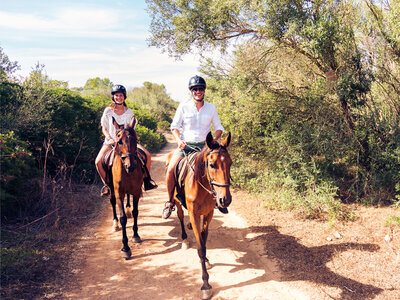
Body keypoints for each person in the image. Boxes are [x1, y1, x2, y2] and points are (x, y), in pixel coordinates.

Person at [162, 75, 226, 219]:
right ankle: (170, 202)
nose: (198, 91)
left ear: (204, 90)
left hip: (205, 148)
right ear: (191, 91)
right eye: (195, 89)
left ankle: (217, 200)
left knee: (218, 169)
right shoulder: (183, 107)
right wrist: (178, 140)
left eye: (201, 89)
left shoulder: (211, 108)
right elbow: (174, 127)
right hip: (186, 146)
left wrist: (213, 140)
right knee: (171, 169)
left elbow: (219, 127)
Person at [95, 84, 157, 196]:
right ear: (113, 97)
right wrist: (109, 138)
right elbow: (104, 128)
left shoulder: (130, 112)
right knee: (98, 161)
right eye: (116, 95)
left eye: (121, 95)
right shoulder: (108, 111)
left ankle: (147, 181)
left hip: (127, 142)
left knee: (147, 155)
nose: (119, 97)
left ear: (124, 97)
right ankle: (107, 185)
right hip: (111, 142)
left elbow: (132, 129)